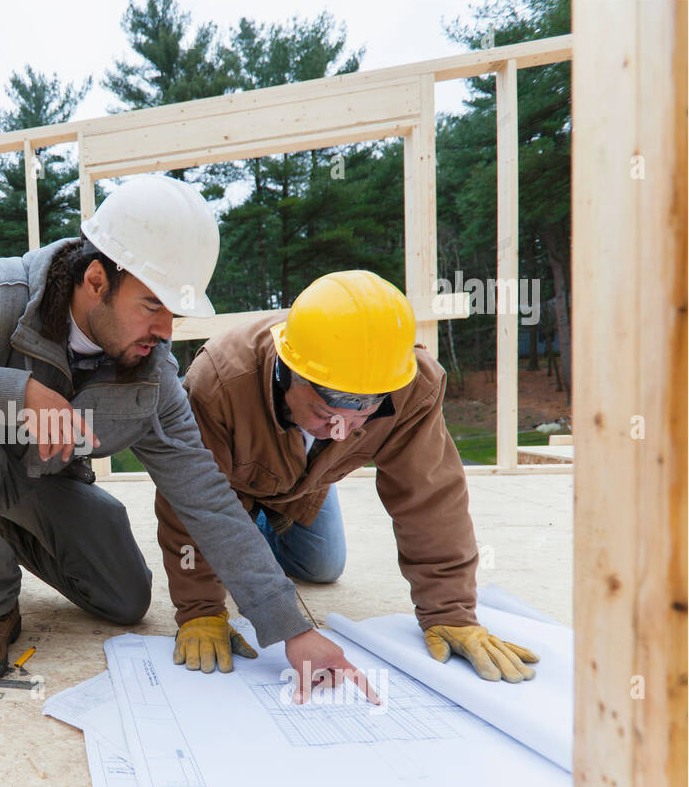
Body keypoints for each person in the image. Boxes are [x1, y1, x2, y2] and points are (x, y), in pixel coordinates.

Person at [0, 175, 374, 696]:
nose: (165, 331)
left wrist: (290, 627)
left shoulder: (154, 377)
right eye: (153, 306)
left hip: (49, 483)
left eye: (174, 314)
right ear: (96, 280)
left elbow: (208, 500)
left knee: (125, 599)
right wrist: (16, 391)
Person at [155, 270, 541, 684]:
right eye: (325, 413)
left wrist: (450, 610)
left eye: (362, 416)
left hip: (308, 481)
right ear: (290, 372)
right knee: (223, 533)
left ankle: (255, 535)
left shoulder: (408, 387)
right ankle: (245, 527)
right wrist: (201, 609)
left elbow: (429, 498)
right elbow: (191, 499)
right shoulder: (220, 380)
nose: (342, 431)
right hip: (230, 485)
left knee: (322, 567)